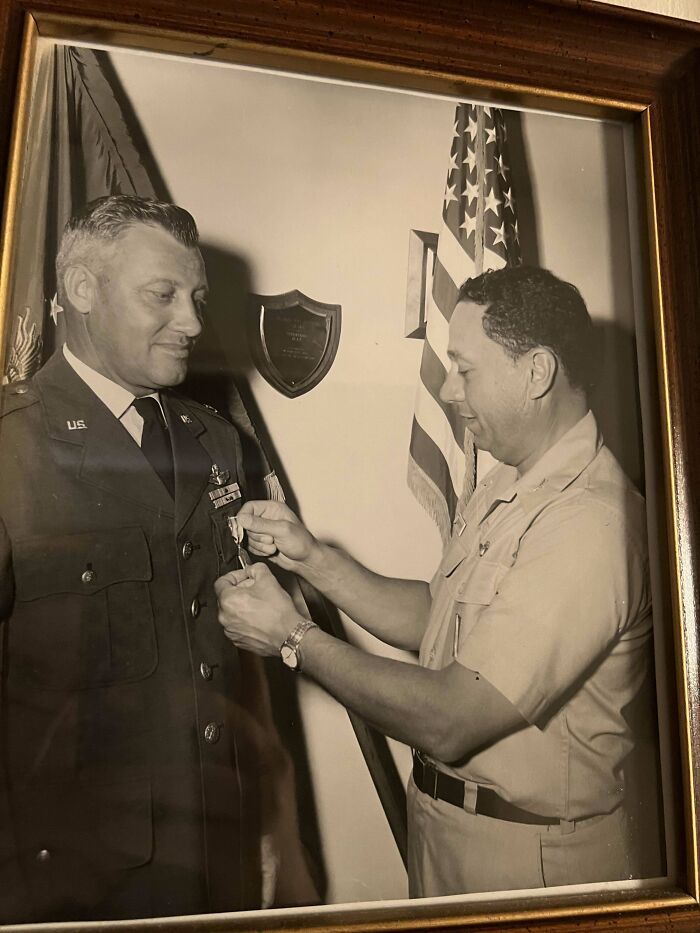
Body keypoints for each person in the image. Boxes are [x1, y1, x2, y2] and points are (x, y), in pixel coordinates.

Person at [216, 266, 656, 897]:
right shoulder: (510, 478)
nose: (448, 389)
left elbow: (453, 717)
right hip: (449, 831)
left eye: (466, 368)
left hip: (529, 862)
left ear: (537, 372)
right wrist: (311, 559)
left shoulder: (590, 523)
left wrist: (292, 637)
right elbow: (436, 616)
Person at [0, 195, 314, 922]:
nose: (194, 323)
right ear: (82, 289)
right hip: (72, 882)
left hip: (219, 852)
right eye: (162, 295)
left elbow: (247, 665)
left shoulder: (218, 443)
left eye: (197, 297)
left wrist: (281, 831)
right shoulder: (11, 447)